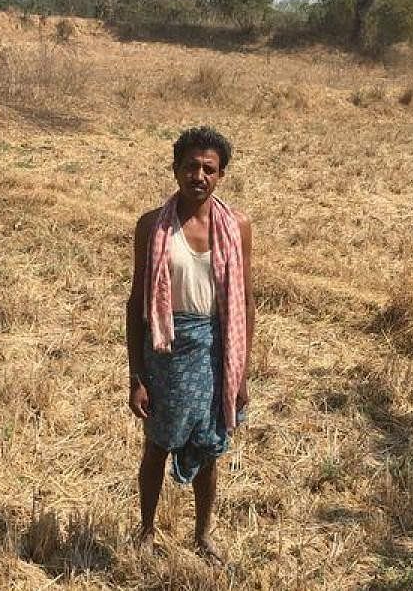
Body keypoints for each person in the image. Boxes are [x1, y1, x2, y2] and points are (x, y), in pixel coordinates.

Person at [125, 126, 255, 564]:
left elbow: (245, 303)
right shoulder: (151, 227)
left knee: (210, 444)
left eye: (209, 169)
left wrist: (240, 373)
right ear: (176, 169)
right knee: (157, 445)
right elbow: (136, 303)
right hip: (165, 352)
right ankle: (145, 532)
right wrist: (136, 377)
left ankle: (203, 535)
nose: (198, 175)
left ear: (220, 176)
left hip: (217, 352)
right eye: (191, 166)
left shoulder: (237, 226)